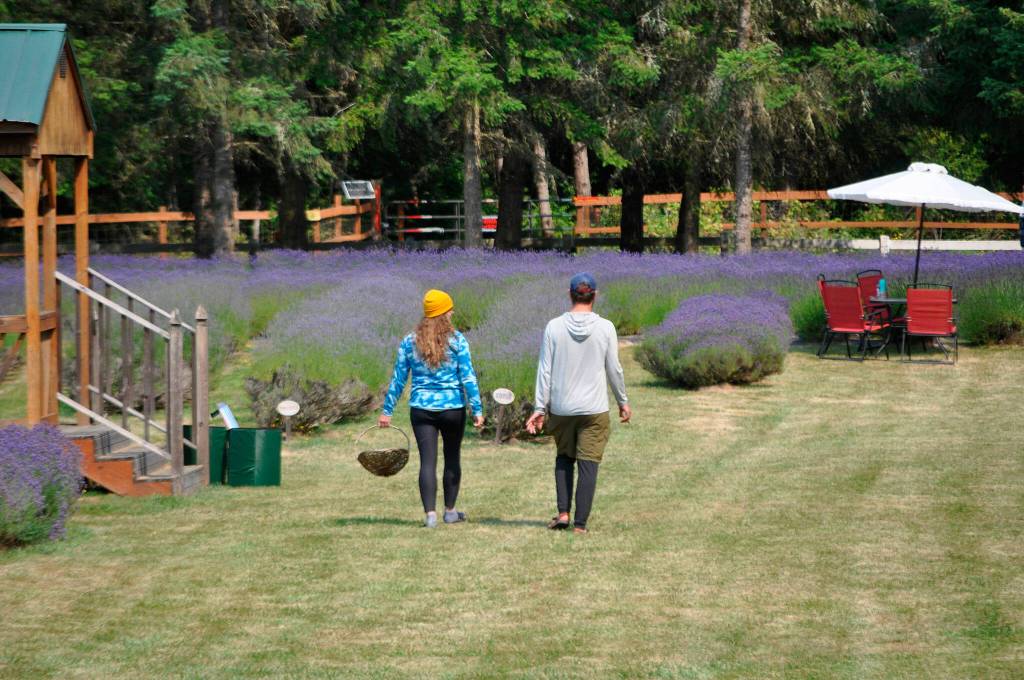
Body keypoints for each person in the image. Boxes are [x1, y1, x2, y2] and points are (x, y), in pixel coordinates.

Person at [526, 272, 631, 534]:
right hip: (594, 408)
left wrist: (540, 407)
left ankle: (563, 514)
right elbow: (614, 369)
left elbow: (544, 370)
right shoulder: (605, 327)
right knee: (588, 463)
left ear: (570, 294)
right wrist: (622, 401)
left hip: (562, 407)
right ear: (594, 295)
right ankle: (580, 525)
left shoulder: (554, 327)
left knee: (564, 457)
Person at [380, 289, 485, 528]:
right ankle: (450, 511)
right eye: (450, 309)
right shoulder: (458, 340)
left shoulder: (410, 341)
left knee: (427, 462)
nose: (453, 312)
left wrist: (387, 410)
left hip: (421, 410)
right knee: (452, 458)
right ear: (444, 313)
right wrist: (477, 410)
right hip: (452, 409)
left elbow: (398, 378)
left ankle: (430, 516)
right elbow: (468, 377)